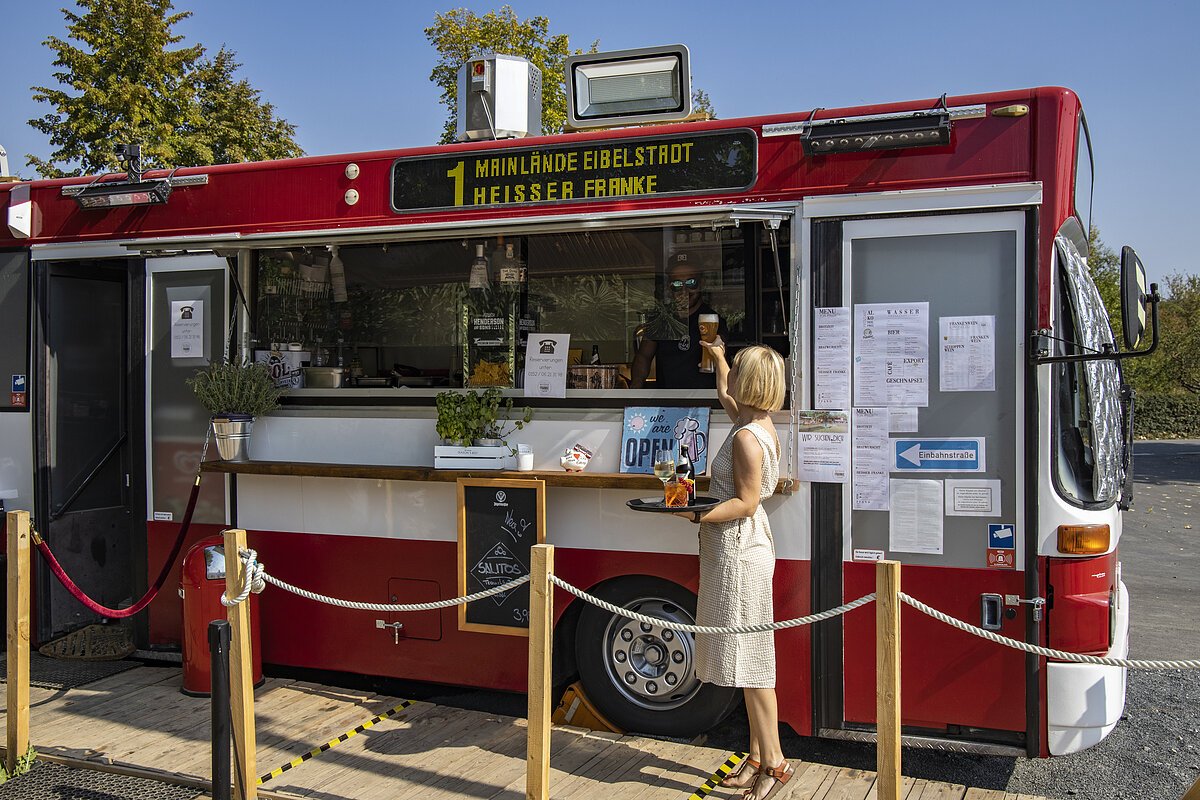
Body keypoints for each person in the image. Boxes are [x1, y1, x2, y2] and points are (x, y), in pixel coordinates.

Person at [675, 341, 794, 800]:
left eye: (738, 370)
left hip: (738, 553)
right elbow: (727, 395)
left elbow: (745, 503)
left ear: (752, 383)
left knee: (755, 664)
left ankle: (776, 762)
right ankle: (757, 755)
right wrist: (720, 356)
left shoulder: (746, 437)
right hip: (745, 549)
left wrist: (694, 513)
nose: (732, 380)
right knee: (748, 660)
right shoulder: (757, 423)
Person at [630, 253, 726, 388]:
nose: (684, 290)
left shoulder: (713, 320)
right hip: (667, 401)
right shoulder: (661, 319)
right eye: (677, 284)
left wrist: (719, 351)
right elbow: (644, 357)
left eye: (691, 283)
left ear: (702, 283)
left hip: (704, 401)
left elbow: (723, 357)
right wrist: (634, 392)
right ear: (670, 287)